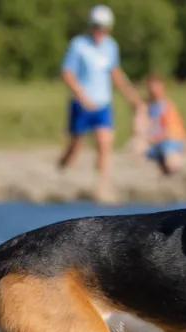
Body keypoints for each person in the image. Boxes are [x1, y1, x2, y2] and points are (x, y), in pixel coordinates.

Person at [58, 5, 142, 201]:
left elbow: (115, 72)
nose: (99, 31)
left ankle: (102, 186)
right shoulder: (78, 45)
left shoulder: (110, 46)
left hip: (103, 104)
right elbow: (67, 73)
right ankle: (62, 169)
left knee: (104, 143)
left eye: (103, 28)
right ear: (90, 26)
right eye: (96, 26)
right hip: (82, 104)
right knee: (75, 146)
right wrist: (82, 96)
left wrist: (131, 95)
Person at [144, 73, 186, 174]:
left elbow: (176, 132)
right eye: (151, 86)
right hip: (154, 144)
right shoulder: (146, 107)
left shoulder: (168, 106)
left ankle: (176, 170)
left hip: (168, 142)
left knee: (168, 149)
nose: (154, 89)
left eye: (156, 86)